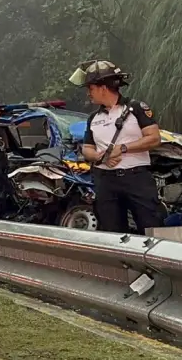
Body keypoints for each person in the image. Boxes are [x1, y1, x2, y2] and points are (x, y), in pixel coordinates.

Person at [70, 59, 165, 233]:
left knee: (151, 228)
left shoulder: (135, 108)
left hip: (136, 178)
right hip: (106, 181)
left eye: (90, 89)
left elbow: (154, 138)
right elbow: (87, 149)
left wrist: (122, 148)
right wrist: (101, 157)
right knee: (112, 232)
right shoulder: (93, 118)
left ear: (103, 88)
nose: (88, 94)